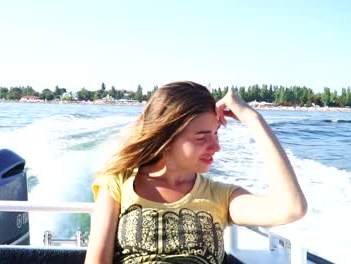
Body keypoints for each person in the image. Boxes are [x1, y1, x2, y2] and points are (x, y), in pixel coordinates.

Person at [85, 81, 307, 264]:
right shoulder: (118, 183)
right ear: (166, 138)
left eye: (216, 134)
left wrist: (254, 119)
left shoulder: (221, 196)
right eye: (202, 138)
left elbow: (291, 208)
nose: (215, 146)